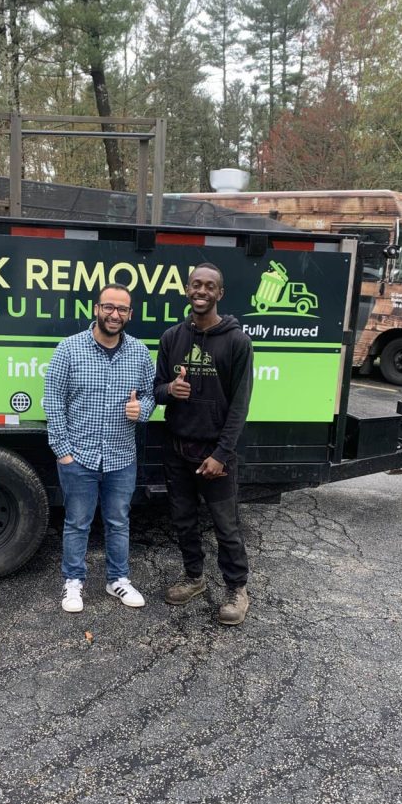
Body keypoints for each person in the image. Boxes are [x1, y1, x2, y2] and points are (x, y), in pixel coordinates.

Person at [44, 283, 155, 613]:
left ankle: (117, 580)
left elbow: (149, 395)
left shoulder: (139, 353)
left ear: (130, 315)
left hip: (122, 457)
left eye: (122, 309)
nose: (115, 314)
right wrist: (63, 451)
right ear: (96, 309)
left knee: (119, 522)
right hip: (79, 455)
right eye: (108, 307)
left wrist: (143, 411)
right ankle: (73, 582)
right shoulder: (69, 349)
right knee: (77, 522)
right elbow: (53, 402)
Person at [153, 262, 253, 625]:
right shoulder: (171, 338)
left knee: (226, 527)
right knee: (183, 520)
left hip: (215, 456)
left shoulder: (237, 342)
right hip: (177, 449)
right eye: (196, 285)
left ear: (220, 294)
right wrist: (170, 391)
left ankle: (237, 589)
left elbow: (240, 404)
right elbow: (156, 390)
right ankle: (193, 577)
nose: (201, 291)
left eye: (209, 286)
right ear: (187, 289)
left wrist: (221, 454)